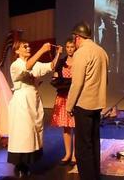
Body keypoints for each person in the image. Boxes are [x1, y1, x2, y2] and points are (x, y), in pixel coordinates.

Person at [7, 40, 61, 177]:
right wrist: (42, 50)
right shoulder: (15, 65)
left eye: (28, 45)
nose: (28, 47)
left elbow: (51, 66)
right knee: (23, 133)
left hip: (33, 100)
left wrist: (58, 54)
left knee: (32, 132)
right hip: (21, 102)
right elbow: (27, 66)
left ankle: (26, 162)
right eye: (24, 46)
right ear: (17, 51)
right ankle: (19, 165)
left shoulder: (34, 64)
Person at [66, 21, 109, 180]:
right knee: (94, 143)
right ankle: (94, 176)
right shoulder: (101, 51)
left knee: (83, 148)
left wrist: (69, 105)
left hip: (83, 105)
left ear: (77, 37)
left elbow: (77, 83)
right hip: (97, 104)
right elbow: (105, 79)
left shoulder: (81, 53)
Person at [50, 37, 76, 166]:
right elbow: (55, 74)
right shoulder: (61, 61)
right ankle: (67, 154)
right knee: (66, 127)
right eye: (68, 47)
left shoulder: (80, 61)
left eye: (72, 47)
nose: (70, 49)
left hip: (75, 98)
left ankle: (75, 156)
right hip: (63, 96)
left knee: (76, 126)